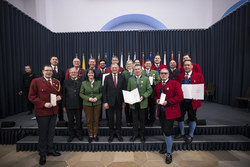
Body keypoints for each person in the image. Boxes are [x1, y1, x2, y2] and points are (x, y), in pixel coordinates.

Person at [28, 65, 62, 166]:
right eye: (47, 70)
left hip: (53, 111)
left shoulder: (56, 82)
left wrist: (60, 97)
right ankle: (42, 153)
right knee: (43, 133)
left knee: (51, 132)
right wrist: (43, 104)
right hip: (42, 112)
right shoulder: (36, 81)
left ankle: (50, 150)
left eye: (50, 71)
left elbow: (59, 93)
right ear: (43, 71)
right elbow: (31, 97)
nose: (48, 72)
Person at [154, 68, 184, 164]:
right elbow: (155, 96)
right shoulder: (158, 85)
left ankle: (169, 153)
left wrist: (169, 102)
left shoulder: (175, 83)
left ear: (168, 75)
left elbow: (180, 97)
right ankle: (169, 146)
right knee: (164, 130)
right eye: (161, 73)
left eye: (165, 73)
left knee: (167, 131)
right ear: (160, 75)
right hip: (161, 112)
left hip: (171, 112)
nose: (163, 75)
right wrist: (156, 100)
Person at [175, 60, 205, 144]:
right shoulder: (180, 76)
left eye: (188, 65)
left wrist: (198, 96)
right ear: (183, 67)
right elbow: (177, 87)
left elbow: (203, 88)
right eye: (185, 65)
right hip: (182, 101)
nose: (187, 67)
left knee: (192, 117)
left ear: (192, 66)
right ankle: (182, 133)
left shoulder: (198, 75)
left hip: (193, 101)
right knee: (180, 117)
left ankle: (191, 135)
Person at [127, 65, 152, 143]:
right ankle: (135, 134)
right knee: (134, 120)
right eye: (135, 69)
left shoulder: (146, 79)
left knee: (142, 120)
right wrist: (129, 99)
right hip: (133, 103)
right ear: (133, 71)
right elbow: (128, 90)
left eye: (138, 69)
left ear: (141, 70)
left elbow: (149, 90)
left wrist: (143, 97)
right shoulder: (130, 79)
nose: (137, 70)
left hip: (143, 103)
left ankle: (142, 135)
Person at [103, 63, 126, 142]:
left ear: (118, 69)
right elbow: (104, 91)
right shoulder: (106, 77)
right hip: (110, 102)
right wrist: (105, 102)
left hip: (119, 101)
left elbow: (124, 90)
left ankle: (119, 133)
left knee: (119, 119)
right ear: (110, 69)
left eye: (116, 67)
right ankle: (111, 134)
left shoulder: (122, 77)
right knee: (111, 119)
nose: (114, 69)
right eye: (113, 67)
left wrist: (124, 101)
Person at [80, 69, 102, 143]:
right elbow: (81, 93)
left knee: (96, 120)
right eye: (89, 73)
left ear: (94, 74)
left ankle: (95, 134)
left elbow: (101, 93)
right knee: (89, 120)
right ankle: (90, 135)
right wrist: (88, 98)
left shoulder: (99, 83)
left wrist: (97, 98)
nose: (90, 75)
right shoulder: (84, 83)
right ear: (87, 74)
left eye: (92, 73)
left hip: (97, 103)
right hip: (87, 104)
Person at [63, 67, 83, 143]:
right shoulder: (65, 82)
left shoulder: (81, 81)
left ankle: (79, 134)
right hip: (69, 105)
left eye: (75, 72)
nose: (73, 74)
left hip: (79, 104)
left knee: (79, 121)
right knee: (70, 121)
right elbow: (64, 94)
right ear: (69, 73)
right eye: (72, 72)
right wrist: (63, 106)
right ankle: (71, 135)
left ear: (77, 73)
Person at [141, 59, 160, 126]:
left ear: (151, 65)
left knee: (152, 108)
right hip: (144, 93)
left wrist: (153, 81)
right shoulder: (141, 72)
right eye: (146, 63)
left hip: (152, 92)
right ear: (144, 65)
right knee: (145, 108)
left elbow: (159, 81)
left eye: (149, 63)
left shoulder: (155, 72)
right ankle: (145, 120)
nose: (148, 65)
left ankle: (151, 120)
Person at [50, 56, 65, 121]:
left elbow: (63, 81)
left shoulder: (61, 70)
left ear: (58, 61)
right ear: (50, 61)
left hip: (60, 92)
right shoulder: (48, 70)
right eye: (53, 59)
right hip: (51, 92)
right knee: (52, 107)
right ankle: (52, 121)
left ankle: (61, 120)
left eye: (56, 59)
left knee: (60, 107)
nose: (54, 61)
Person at [122, 60, 134, 126]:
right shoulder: (124, 73)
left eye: (130, 64)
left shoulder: (135, 72)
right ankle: (128, 121)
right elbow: (123, 83)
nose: (129, 65)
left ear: (133, 64)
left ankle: (132, 120)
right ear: (126, 65)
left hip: (134, 92)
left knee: (133, 107)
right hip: (126, 92)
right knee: (127, 108)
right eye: (128, 64)